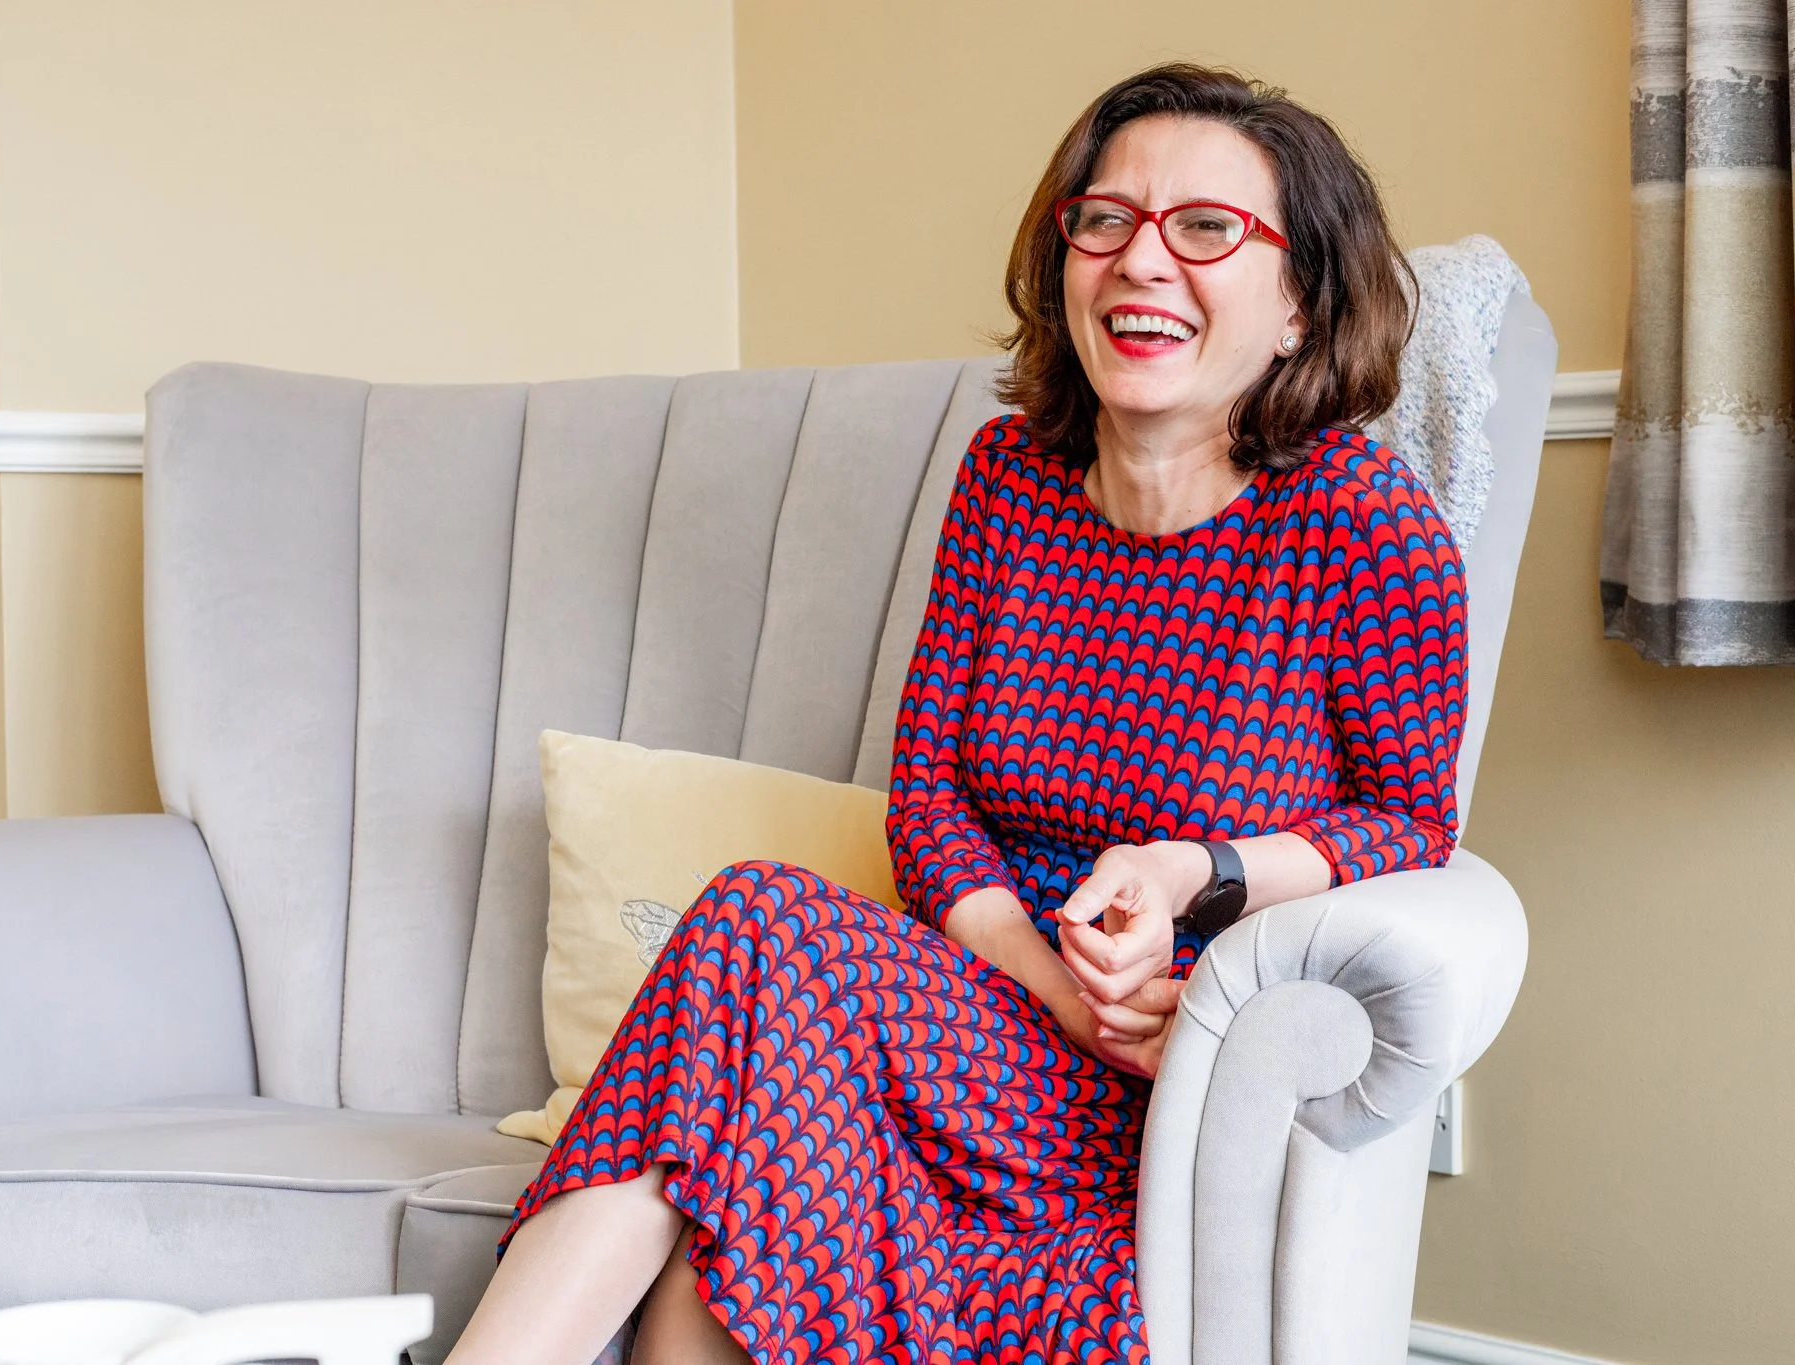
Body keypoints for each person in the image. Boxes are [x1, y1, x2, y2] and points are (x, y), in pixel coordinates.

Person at [447, 63, 1463, 1365]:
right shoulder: (1010, 480)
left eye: (1207, 230)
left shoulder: (1363, 524)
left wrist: (1193, 873)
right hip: (986, 1015)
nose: (1143, 261)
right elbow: (929, 798)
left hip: (1175, 1072)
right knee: (747, 1010)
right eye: (1106, 221)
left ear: (1298, 303)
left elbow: (1410, 821)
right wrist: (1050, 986)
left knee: (745, 990)